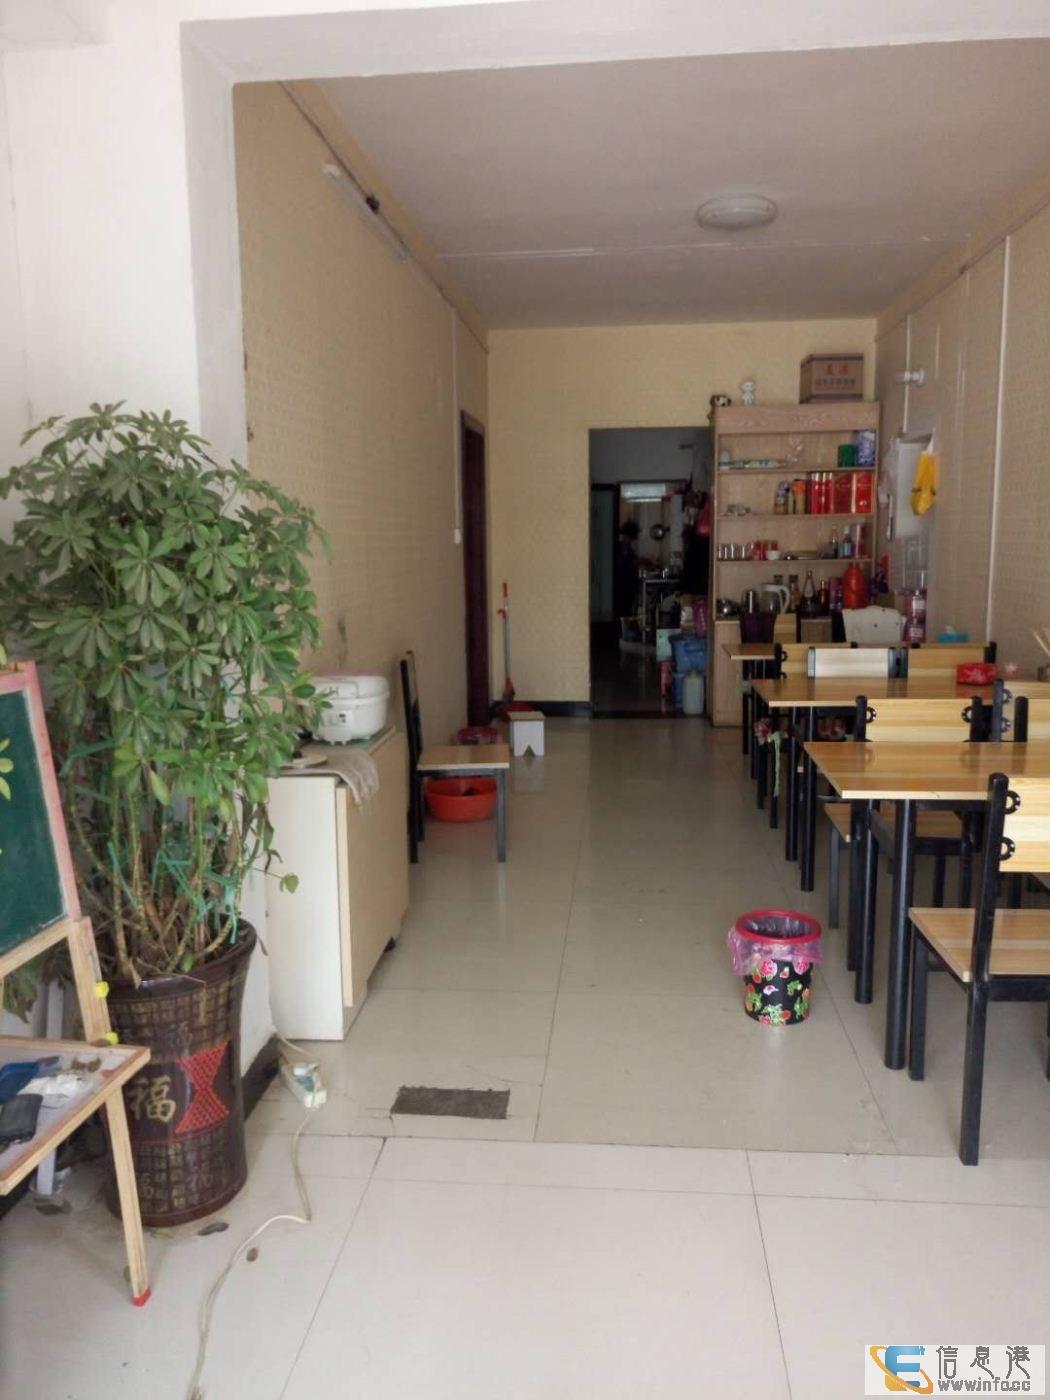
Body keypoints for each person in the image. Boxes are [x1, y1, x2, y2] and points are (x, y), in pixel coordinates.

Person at [614, 519, 640, 622]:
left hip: (627, 589)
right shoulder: (617, 548)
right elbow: (624, 566)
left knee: (626, 612)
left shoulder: (628, 550)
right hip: (621, 589)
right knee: (622, 612)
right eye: (631, 539)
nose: (631, 541)